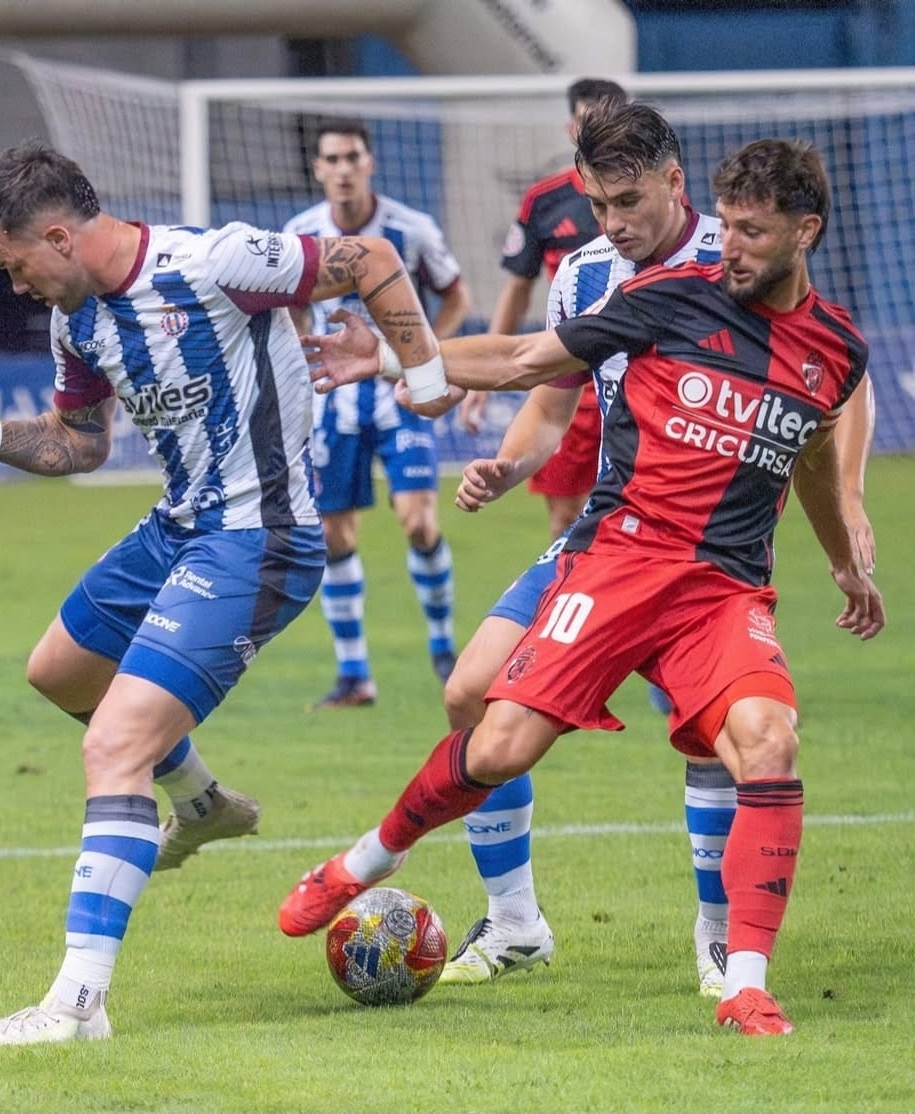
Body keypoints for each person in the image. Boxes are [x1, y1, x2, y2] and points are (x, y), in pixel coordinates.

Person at [280, 136, 885, 1037]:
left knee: (767, 741)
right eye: (726, 228)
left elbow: (808, 456)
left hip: (722, 592)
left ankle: (744, 982)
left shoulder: (835, 347)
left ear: (806, 232)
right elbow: (526, 360)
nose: (731, 248)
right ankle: (369, 858)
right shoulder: (667, 298)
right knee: (496, 745)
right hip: (619, 561)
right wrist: (392, 357)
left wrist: (841, 557)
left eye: (753, 233)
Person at [0, 138, 448, 1046]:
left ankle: (75, 1007)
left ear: (57, 236)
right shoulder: (78, 322)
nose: (15, 285)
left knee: (114, 745)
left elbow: (371, 257)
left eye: (15, 265)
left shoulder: (213, 263)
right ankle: (200, 801)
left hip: (259, 538)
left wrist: (423, 377)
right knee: (59, 672)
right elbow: (77, 444)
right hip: (178, 528)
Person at [436, 105, 879, 991]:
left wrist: (851, 498)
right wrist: (511, 465)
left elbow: (834, 379)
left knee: (716, 735)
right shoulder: (585, 273)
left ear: (673, 184)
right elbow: (551, 389)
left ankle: (717, 937)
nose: (610, 223)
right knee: (469, 694)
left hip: (708, 554)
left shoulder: (739, 253)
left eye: (626, 201)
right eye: (597, 205)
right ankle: (515, 922)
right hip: (607, 531)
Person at [283, 118, 473, 708]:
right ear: (318, 169)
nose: (343, 169)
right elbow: (290, 310)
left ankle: (443, 647)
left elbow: (457, 295)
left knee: (418, 521)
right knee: (333, 534)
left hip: (400, 395)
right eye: (332, 159)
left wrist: (427, 357)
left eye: (352, 157)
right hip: (331, 401)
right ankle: (354, 675)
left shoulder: (410, 230)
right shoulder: (299, 235)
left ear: (370, 163)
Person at [461, 77, 627, 542]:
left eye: (612, 122)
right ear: (571, 129)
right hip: (570, 376)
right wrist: (484, 378)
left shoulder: (654, 200)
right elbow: (518, 288)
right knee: (567, 519)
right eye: (590, 122)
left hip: (640, 374)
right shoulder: (544, 200)